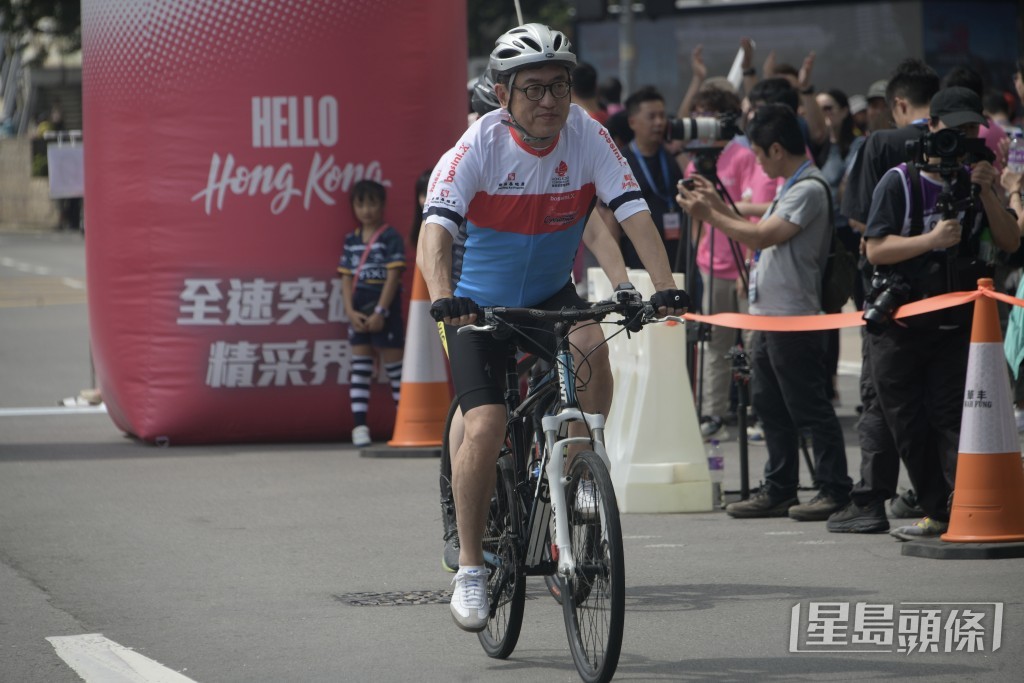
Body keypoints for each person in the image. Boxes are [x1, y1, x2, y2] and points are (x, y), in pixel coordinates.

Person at [417, 23, 687, 632]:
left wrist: (663, 286)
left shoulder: (588, 134)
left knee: (593, 342)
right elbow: (433, 235)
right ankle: (469, 566)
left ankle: (583, 471)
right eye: (533, 88)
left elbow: (632, 210)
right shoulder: (476, 147)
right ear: (501, 93)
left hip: (550, 296)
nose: (548, 101)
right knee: (485, 422)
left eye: (559, 86)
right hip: (477, 307)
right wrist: (444, 299)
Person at [676, 103, 853, 522]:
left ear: (776, 149)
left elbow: (760, 238)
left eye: (757, 152)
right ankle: (779, 488)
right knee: (770, 407)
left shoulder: (808, 188)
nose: (755, 159)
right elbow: (756, 220)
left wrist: (711, 215)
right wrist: (717, 202)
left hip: (793, 317)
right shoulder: (791, 185)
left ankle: (834, 489)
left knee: (808, 408)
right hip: (768, 316)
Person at [858, 87, 1019, 541]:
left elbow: (1009, 242)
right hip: (900, 323)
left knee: (952, 419)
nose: (962, 139)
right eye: (954, 130)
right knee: (908, 424)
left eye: (971, 130)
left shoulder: (978, 179)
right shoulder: (900, 180)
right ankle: (936, 509)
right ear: (931, 127)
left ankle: (962, 509)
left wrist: (988, 189)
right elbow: (875, 248)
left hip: (956, 324)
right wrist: (930, 241)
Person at [828, 59, 940, 534]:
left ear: (898, 102)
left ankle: (871, 497)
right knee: (942, 402)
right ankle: (937, 495)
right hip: (951, 297)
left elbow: (859, 219)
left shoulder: (881, 144)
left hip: (888, 297)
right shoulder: (976, 143)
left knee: (880, 397)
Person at [683, 86, 760, 439]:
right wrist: (701, 254)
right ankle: (713, 414)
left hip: (742, 265)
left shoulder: (743, 156)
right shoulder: (695, 160)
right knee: (714, 344)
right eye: (699, 113)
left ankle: (759, 411)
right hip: (709, 268)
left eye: (710, 113)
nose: (703, 120)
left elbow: (751, 216)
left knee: (753, 341)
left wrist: (748, 260)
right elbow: (694, 213)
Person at [337, 180, 406, 448]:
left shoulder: (391, 237)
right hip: (358, 309)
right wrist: (350, 312)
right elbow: (344, 279)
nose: (366, 209)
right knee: (360, 370)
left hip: (384, 310)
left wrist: (381, 311)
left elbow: (394, 275)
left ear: (382, 205)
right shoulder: (351, 240)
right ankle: (359, 427)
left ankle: (404, 426)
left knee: (396, 371)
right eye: (360, 203)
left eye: (372, 203)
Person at [619, 85, 687, 271]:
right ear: (633, 122)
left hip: (677, 256)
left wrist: (679, 152)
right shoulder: (621, 162)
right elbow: (609, 217)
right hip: (638, 263)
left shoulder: (672, 156)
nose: (659, 122)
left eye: (662, 116)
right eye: (652, 117)